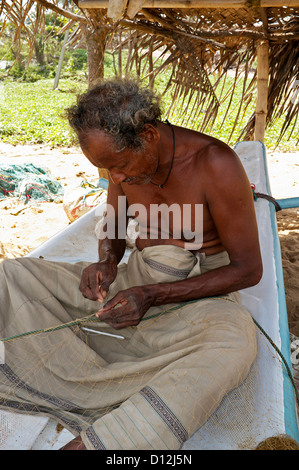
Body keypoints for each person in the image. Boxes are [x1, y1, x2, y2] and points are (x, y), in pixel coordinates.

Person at [0, 78, 262, 450]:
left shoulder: (215, 164)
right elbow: (114, 223)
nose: (117, 178)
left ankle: (100, 444)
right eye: (107, 170)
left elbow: (248, 270)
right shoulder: (124, 166)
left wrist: (154, 295)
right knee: (12, 275)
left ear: (149, 135)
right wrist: (106, 263)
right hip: (133, 285)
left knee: (234, 345)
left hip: (197, 300)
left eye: (120, 166)